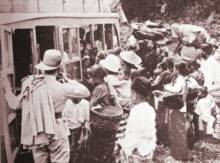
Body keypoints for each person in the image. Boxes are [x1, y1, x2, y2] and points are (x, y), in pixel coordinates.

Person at [0, 49, 90, 163]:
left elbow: (14, 104)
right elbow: (86, 92)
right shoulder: (62, 88)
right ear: (60, 68)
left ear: (43, 67)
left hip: (38, 134)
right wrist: (68, 79)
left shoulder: (31, 85)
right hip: (57, 132)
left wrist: (6, 88)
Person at [116, 77, 157, 163]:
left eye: (130, 93)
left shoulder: (136, 111)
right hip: (148, 149)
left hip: (138, 151)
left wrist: (124, 147)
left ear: (134, 95)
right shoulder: (150, 109)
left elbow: (134, 135)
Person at [63, 97, 90, 163]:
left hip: (79, 129)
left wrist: (85, 133)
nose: (78, 100)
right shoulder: (65, 103)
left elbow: (87, 120)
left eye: (79, 98)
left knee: (78, 149)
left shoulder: (85, 103)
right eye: (75, 98)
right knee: (68, 150)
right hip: (67, 129)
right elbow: (62, 119)